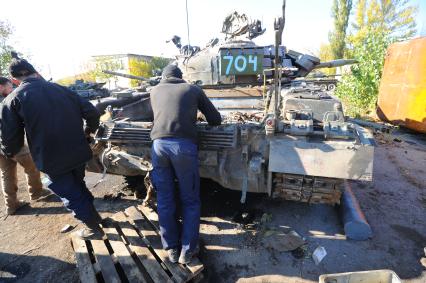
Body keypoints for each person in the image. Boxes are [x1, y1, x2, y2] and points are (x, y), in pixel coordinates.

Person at [0, 55, 103, 239]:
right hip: (78, 151)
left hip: (50, 157)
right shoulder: (60, 89)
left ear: (14, 79)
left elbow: (10, 136)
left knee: (71, 193)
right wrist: (89, 132)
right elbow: (92, 112)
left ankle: (93, 226)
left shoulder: (13, 100)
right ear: (34, 72)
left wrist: (11, 152)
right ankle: (95, 218)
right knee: (78, 186)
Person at [150, 64, 221, 264]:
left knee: (164, 199)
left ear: (163, 77)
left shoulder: (154, 90)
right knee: (189, 199)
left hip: (158, 147)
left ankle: (171, 248)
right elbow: (215, 120)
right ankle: (187, 251)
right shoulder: (192, 89)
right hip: (182, 148)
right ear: (181, 77)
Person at [0, 77, 48, 215]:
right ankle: (36, 192)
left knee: (6, 175)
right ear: (1, 87)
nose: (11, 90)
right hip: (12, 143)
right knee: (32, 167)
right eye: (9, 86)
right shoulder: (6, 101)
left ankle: (11, 205)